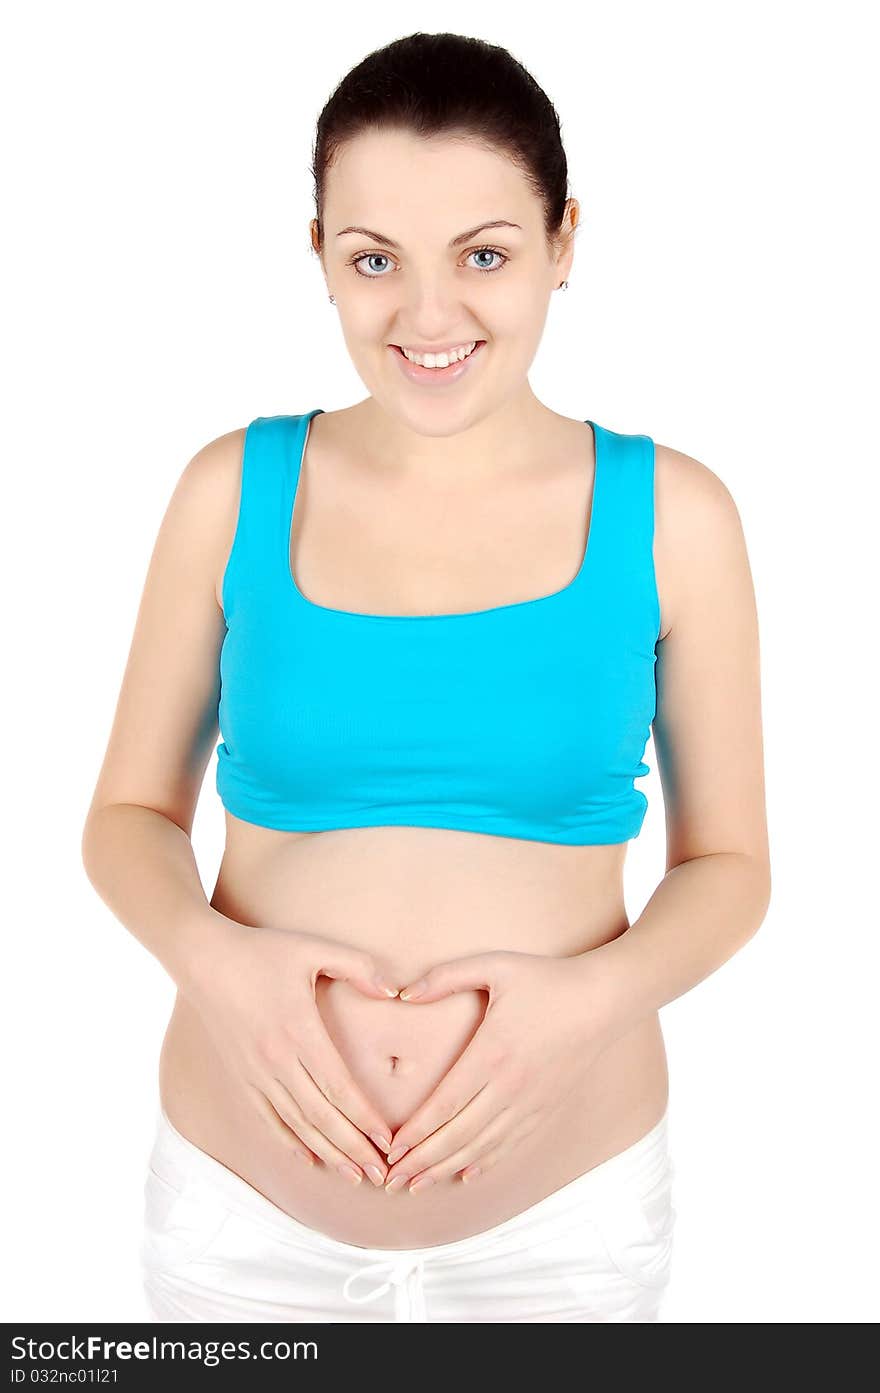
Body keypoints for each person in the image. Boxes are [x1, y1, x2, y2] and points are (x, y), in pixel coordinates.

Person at [81, 31, 771, 1324]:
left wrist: (589, 1000)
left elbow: (731, 866)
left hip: (564, 1228)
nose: (429, 315)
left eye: (487, 254)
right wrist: (214, 964)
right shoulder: (231, 489)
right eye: (374, 261)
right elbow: (126, 819)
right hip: (240, 1219)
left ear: (566, 242)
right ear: (321, 258)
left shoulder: (676, 516)